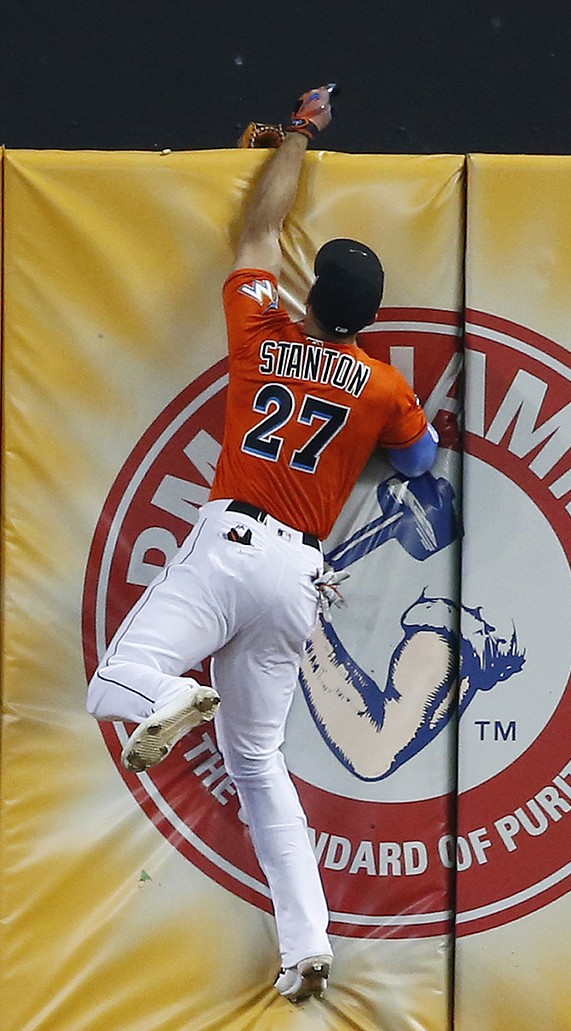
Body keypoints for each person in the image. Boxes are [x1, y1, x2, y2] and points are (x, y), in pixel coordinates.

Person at [86, 84, 438, 1004]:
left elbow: (255, 232)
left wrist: (299, 135)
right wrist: (363, 432)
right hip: (299, 572)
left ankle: (171, 695)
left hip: (231, 542)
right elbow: (421, 461)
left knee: (112, 688)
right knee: (259, 764)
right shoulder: (382, 385)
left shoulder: (262, 325)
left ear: (312, 291)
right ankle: (308, 944)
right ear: (373, 312)